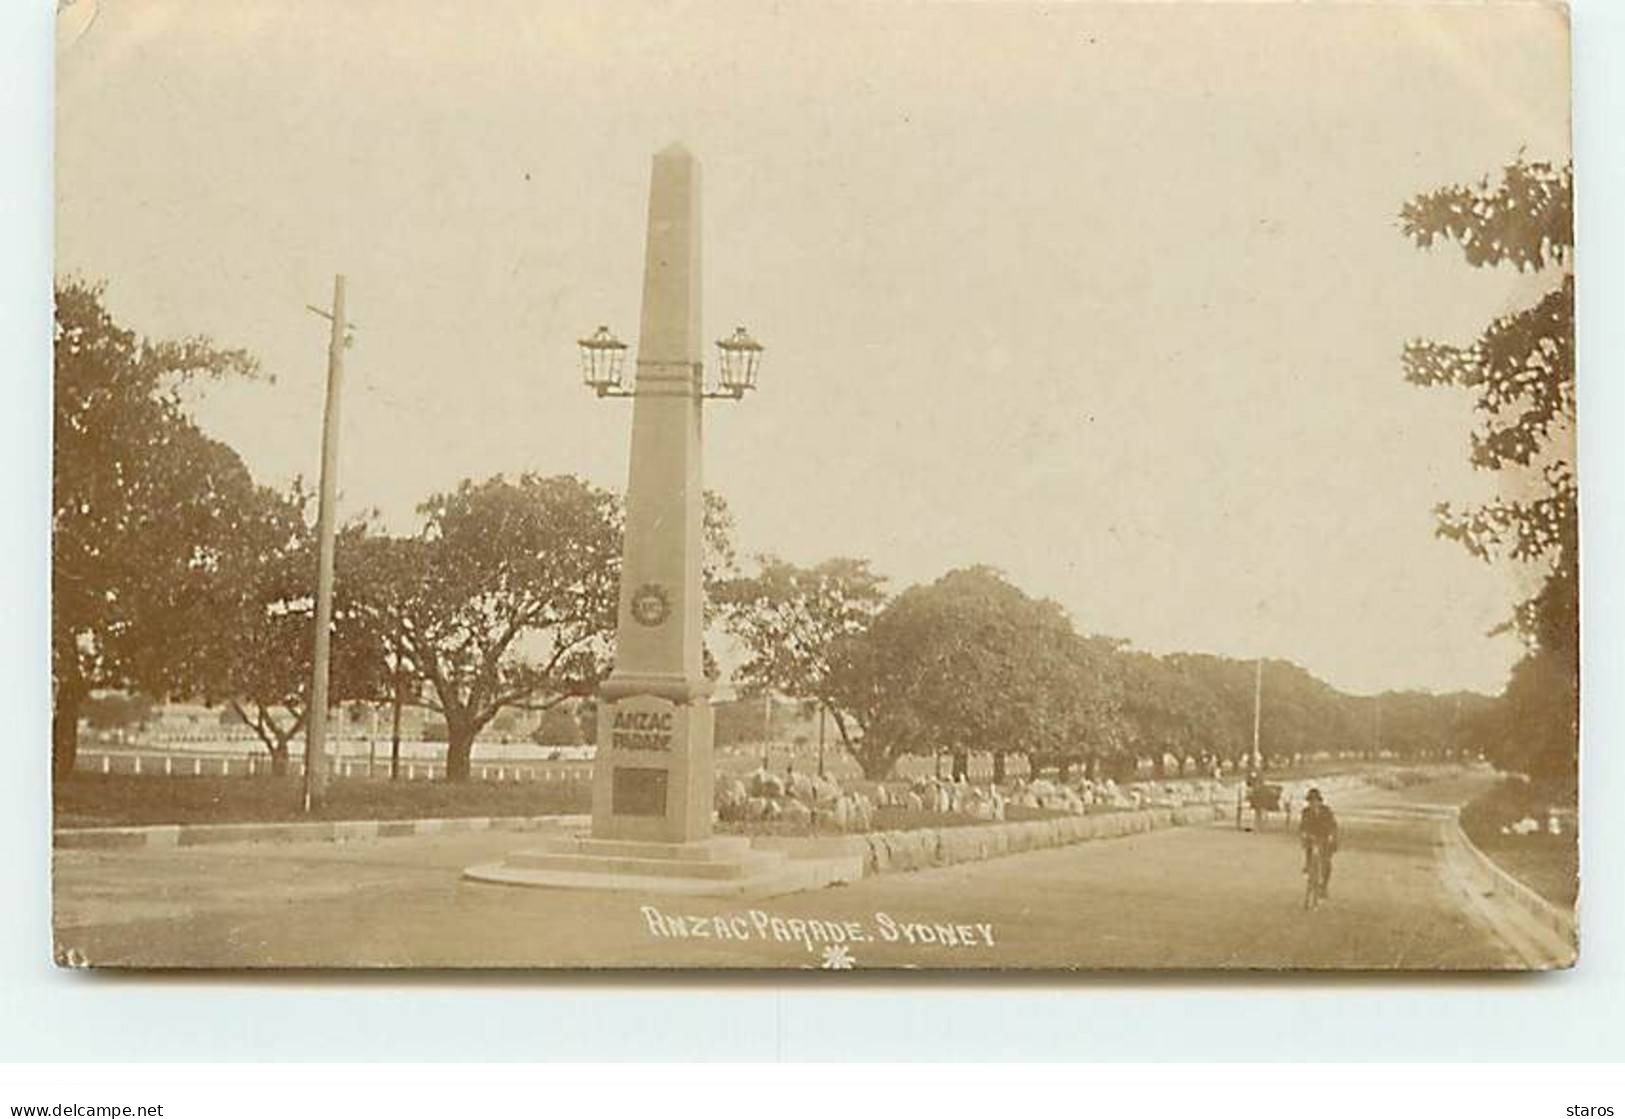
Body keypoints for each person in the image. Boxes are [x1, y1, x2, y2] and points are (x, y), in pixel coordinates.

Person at [1299, 787, 1338, 896]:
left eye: (1315, 800)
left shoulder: (1326, 811)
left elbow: (1333, 825)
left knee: (1326, 862)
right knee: (1309, 850)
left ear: (1319, 801)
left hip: (1325, 837)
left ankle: (1324, 886)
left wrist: (1331, 835)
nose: (1313, 803)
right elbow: (1303, 826)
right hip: (1312, 837)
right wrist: (1304, 834)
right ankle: (1308, 865)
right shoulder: (1305, 812)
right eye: (1310, 801)